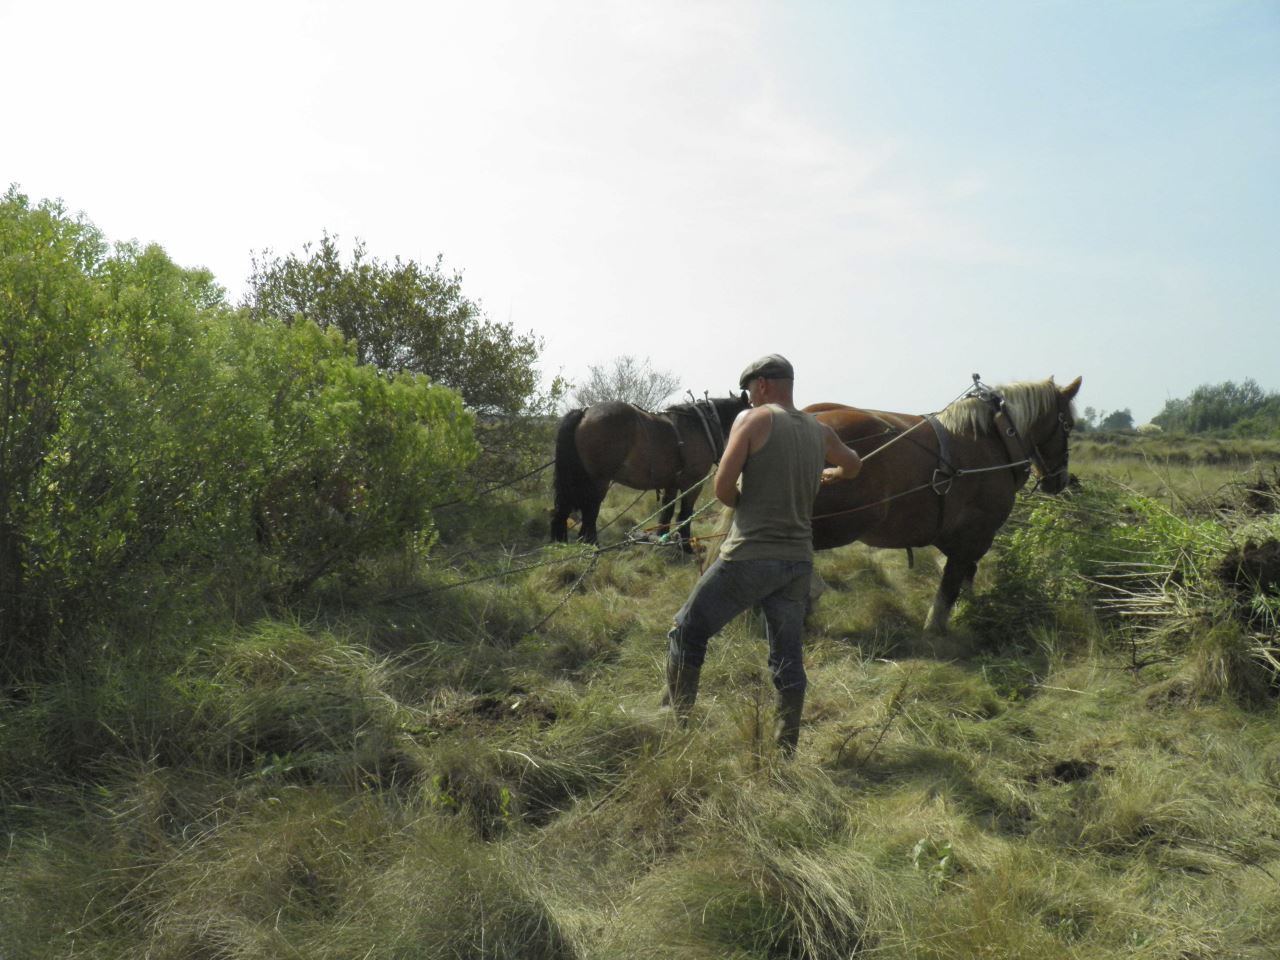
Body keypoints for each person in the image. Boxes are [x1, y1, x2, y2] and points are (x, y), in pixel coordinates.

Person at [665, 354, 863, 755]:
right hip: (798, 563)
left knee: (686, 630)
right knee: (787, 655)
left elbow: (722, 487)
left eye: (750, 389)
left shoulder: (752, 421)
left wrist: (744, 500)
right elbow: (855, 466)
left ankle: (676, 727)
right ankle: (785, 747)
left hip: (750, 556)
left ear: (764, 384)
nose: (748, 397)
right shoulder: (820, 430)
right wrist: (833, 474)